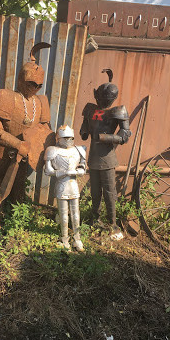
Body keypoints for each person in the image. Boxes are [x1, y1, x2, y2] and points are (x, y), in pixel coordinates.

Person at [0, 43, 55, 212]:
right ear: (21, 79)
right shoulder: (6, 97)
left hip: (25, 155)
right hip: (4, 151)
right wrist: (17, 144)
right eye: (32, 83)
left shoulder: (40, 102)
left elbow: (45, 131)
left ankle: (14, 220)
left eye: (39, 85)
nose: (35, 88)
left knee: (18, 187)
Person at [79, 69, 131, 239]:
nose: (101, 101)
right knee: (95, 191)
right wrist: (84, 131)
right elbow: (86, 123)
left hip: (108, 158)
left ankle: (113, 222)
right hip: (94, 157)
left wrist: (105, 137)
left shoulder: (117, 111)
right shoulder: (90, 109)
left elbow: (125, 136)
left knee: (110, 192)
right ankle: (95, 219)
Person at [44, 125, 86, 251]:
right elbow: (48, 170)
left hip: (73, 184)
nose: (68, 140)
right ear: (58, 138)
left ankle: (77, 239)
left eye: (70, 138)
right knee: (63, 214)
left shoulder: (79, 149)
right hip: (61, 184)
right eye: (65, 138)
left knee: (76, 213)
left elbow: (83, 168)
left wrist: (75, 172)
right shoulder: (52, 150)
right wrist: (61, 172)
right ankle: (65, 239)